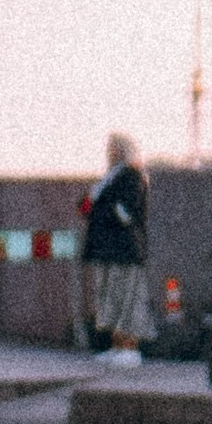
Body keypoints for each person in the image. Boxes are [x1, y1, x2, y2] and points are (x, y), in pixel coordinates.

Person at [82, 134, 150, 357]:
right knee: (110, 299)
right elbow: (85, 207)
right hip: (106, 249)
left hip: (124, 249)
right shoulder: (107, 179)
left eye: (114, 148)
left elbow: (125, 213)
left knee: (126, 299)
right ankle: (115, 345)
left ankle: (130, 348)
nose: (110, 152)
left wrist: (100, 207)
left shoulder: (132, 176)